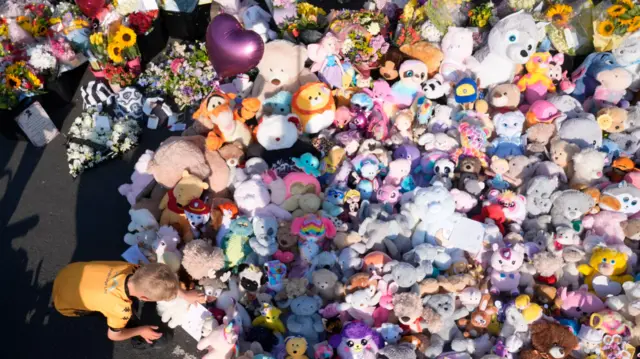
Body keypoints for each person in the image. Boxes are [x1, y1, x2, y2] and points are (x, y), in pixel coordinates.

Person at [52, 261, 204, 347]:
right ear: (144, 297)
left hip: (68, 273)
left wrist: (184, 294)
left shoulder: (131, 269)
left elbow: (157, 276)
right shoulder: (120, 309)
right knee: (163, 340)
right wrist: (140, 330)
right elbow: (113, 335)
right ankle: (139, 341)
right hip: (65, 304)